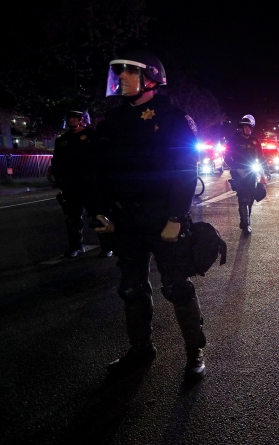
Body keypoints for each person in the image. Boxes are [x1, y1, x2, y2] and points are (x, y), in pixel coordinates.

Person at [91, 48, 208, 380]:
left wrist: (175, 216)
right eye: (120, 73)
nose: (122, 78)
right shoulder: (112, 121)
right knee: (131, 287)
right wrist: (102, 211)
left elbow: (186, 170)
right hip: (125, 219)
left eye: (129, 72)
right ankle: (141, 349)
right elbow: (100, 171)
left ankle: (194, 350)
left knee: (174, 286)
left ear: (151, 79)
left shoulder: (171, 117)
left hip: (162, 216)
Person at [51, 108, 113, 258]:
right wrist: (59, 179)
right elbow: (57, 162)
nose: (71, 120)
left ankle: (107, 247)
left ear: (83, 119)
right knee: (72, 219)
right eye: (69, 117)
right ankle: (76, 246)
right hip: (71, 186)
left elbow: (103, 159)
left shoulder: (93, 136)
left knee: (98, 217)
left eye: (74, 117)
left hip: (91, 186)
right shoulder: (62, 140)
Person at [224, 114, 267, 235]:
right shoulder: (234, 141)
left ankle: (247, 219)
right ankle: (245, 224)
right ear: (241, 128)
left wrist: (266, 170)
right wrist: (235, 168)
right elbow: (227, 157)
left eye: (249, 127)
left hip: (252, 171)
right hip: (239, 171)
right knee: (243, 198)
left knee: (252, 196)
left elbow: (261, 157)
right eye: (245, 127)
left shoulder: (255, 141)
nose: (247, 129)